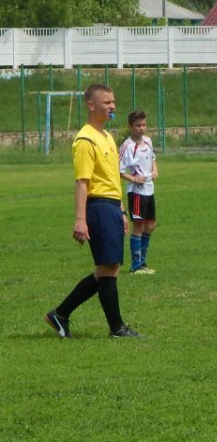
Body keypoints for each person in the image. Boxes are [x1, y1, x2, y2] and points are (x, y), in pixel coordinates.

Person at [44, 83, 141, 339]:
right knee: (108, 269)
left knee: (107, 269)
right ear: (91, 105)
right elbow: (82, 182)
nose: (113, 106)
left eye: (113, 101)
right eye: (107, 102)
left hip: (110, 206)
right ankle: (117, 328)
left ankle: (60, 314)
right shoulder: (85, 139)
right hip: (97, 206)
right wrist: (80, 220)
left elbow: (111, 178)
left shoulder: (106, 136)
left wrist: (120, 210)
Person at [119, 110, 158, 275]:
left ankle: (142, 262)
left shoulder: (148, 141)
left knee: (151, 225)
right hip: (136, 192)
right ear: (130, 127)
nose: (141, 128)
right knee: (139, 226)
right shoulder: (127, 146)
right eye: (137, 125)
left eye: (144, 125)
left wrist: (155, 170)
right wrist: (134, 179)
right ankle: (136, 265)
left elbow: (153, 158)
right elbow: (119, 171)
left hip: (149, 190)